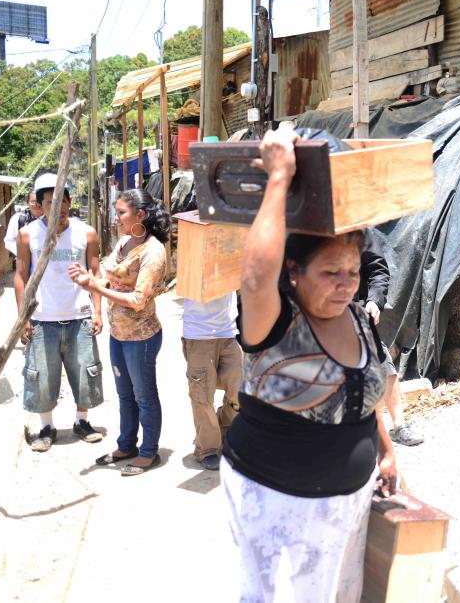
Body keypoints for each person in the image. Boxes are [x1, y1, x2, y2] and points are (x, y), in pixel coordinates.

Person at [221, 125, 397, 601]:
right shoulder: (273, 324)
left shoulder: (359, 318)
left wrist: (384, 450)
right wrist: (280, 177)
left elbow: (361, 393)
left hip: (346, 505)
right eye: (331, 272)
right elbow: (255, 280)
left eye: (354, 273)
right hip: (275, 500)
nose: (346, 284)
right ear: (294, 272)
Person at [69, 189, 169, 477]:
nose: (117, 217)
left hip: (142, 337)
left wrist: (95, 287)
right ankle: (127, 445)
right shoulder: (125, 241)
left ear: (141, 215)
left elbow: (139, 300)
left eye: (122, 212)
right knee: (125, 395)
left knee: (144, 396)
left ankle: (150, 453)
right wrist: (90, 280)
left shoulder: (153, 251)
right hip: (119, 334)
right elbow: (108, 276)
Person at [15, 174, 104, 452]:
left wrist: (98, 311)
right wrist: (23, 318)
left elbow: (95, 272)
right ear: (40, 205)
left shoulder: (86, 233)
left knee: (84, 372)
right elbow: (19, 276)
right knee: (41, 375)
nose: (58, 208)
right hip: (43, 319)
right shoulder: (28, 234)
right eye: (50, 203)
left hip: (79, 316)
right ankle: (46, 427)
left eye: (62, 202)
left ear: (69, 202)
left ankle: (81, 422)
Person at [360, 239, 424, 446]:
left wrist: (374, 300)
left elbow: (377, 269)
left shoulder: (357, 231)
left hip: (355, 311)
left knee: (384, 365)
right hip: (313, 315)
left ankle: (399, 426)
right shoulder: (300, 233)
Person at [181, 292, 243, 471]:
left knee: (240, 391)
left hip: (228, 332)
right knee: (202, 396)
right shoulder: (191, 264)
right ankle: (207, 449)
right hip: (198, 335)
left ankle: (222, 425)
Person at [4, 191, 43, 256]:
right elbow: (9, 241)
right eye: (33, 201)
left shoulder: (52, 219)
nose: (37, 204)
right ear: (28, 203)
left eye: (40, 201)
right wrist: (23, 253)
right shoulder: (18, 218)